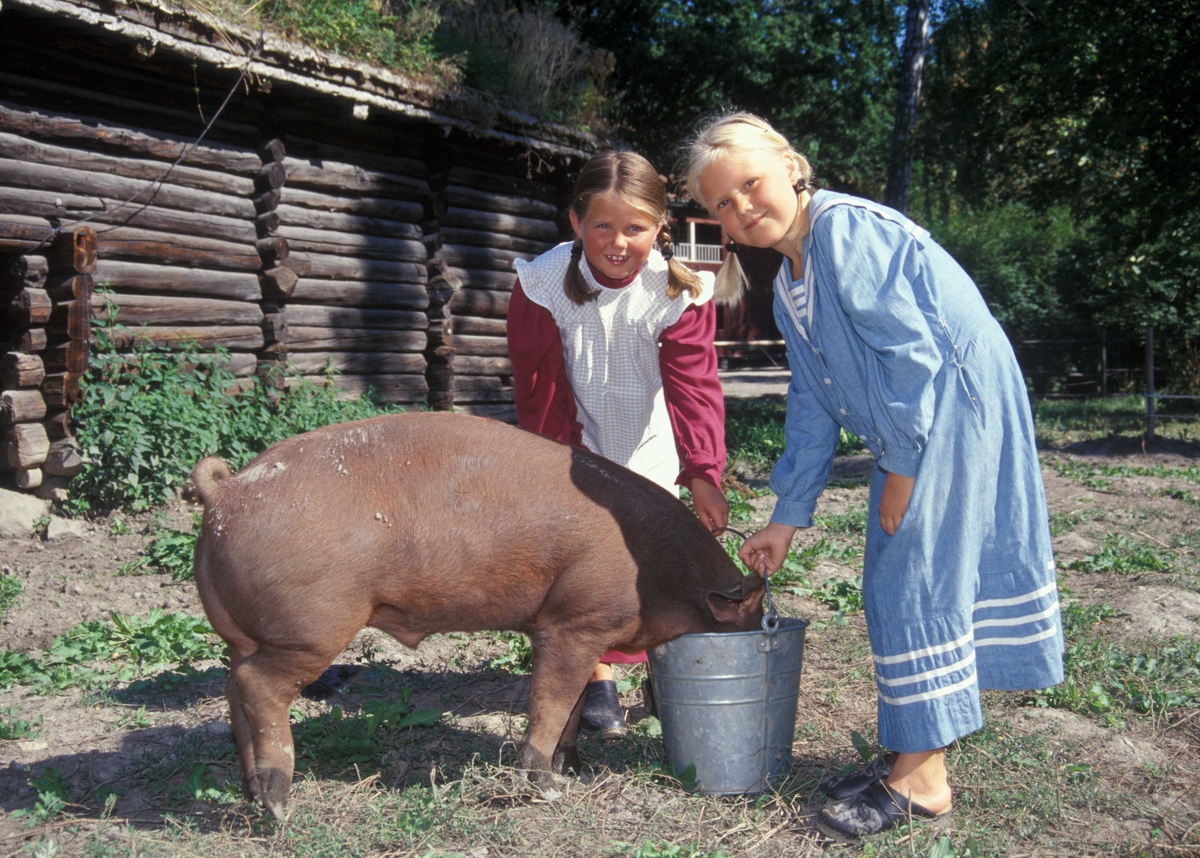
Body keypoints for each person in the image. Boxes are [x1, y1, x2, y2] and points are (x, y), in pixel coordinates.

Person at [684, 112, 1064, 840]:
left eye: (751, 185)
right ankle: (913, 756)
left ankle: (921, 779)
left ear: (792, 166)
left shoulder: (844, 231)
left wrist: (902, 464)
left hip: (950, 404)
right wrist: (786, 516)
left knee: (912, 575)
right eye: (722, 205)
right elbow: (812, 402)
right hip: (924, 418)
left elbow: (913, 355)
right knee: (907, 575)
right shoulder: (793, 278)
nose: (741, 209)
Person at [508, 150, 730, 737]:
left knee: (650, 553)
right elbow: (540, 386)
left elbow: (694, 386)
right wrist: (558, 468)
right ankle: (597, 670)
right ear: (576, 223)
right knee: (585, 554)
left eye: (635, 227)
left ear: (660, 227)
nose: (617, 242)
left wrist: (703, 471)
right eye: (601, 226)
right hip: (574, 439)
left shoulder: (675, 290)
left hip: (651, 438)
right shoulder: (544, 282)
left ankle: (662, 659)